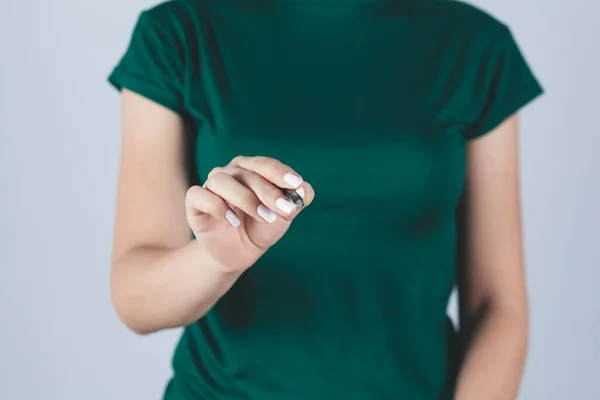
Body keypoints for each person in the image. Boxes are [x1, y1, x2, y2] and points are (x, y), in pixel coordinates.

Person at [107, 0, 543, 398]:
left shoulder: (475, 45)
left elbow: (498, 306)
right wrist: (216, 260)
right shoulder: (177, 33)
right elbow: (135, 301)